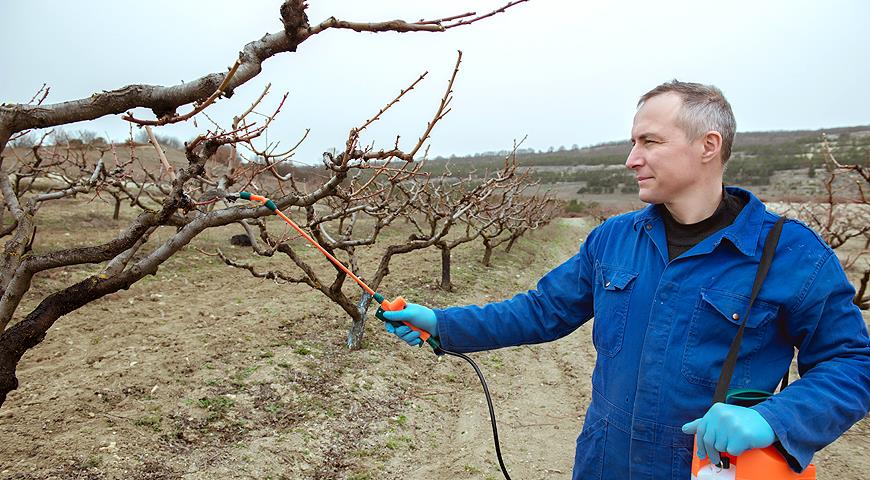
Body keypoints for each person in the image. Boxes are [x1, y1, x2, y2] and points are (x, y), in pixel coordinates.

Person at [383, 80, 870, 479]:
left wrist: (771, 419)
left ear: (709, 145)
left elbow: (852, 364)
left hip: (710, 471)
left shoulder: (793, 255)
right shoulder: (614, 238)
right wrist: (441, 323)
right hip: (605, 463)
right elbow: (541, 310)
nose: (631, 158)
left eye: (649, 142)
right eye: (633, 142)